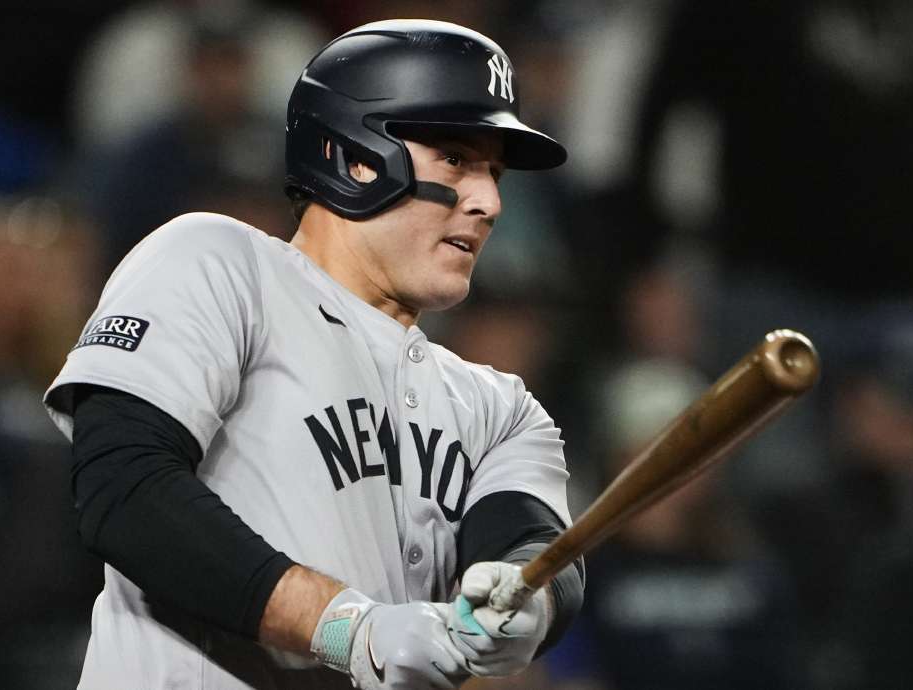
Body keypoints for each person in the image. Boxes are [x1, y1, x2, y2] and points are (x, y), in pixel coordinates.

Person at [42, 19, 583, 689]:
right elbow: (122, 489)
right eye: (458, 161)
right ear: (358, 156)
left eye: (495, 173)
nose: (490, 201)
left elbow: (533, 544)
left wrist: (529, 601)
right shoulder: (220, 263)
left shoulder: (503, 409)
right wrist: (345, 626)